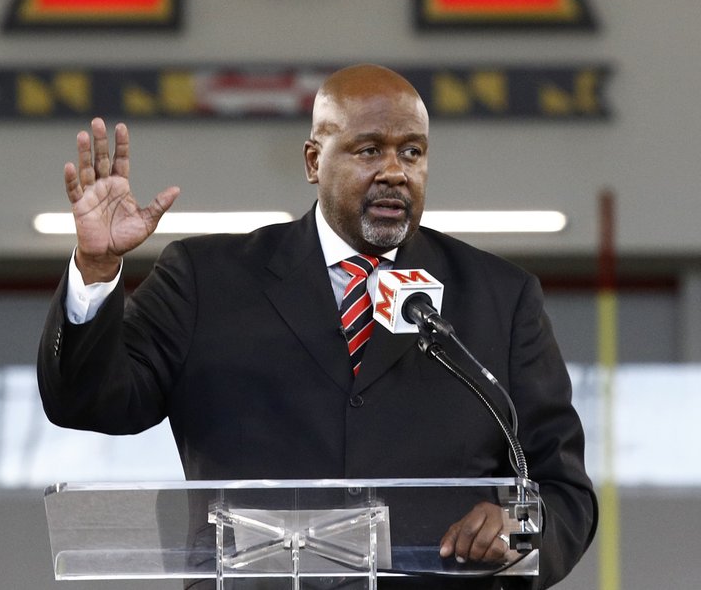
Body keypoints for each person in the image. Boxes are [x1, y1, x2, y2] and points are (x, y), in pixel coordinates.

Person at [38, 64, 596, 587]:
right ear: (313, 160)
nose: (395, 172)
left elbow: (561, 487)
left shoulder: (500, 296)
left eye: (413, 152)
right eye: (368, 149)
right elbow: (90, 402)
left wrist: (521, 531)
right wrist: (97, 268)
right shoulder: (206, 280)